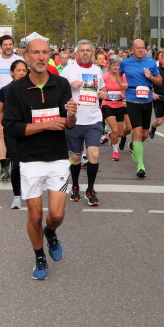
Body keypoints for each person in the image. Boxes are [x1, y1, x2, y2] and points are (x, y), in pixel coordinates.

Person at [3, 37, 77, 280]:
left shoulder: (61, 83)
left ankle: (51, 232)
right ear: (27, 56)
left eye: (45, 52)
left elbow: (68, 123)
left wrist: (72, 116)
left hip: (57, 158)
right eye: (36, 53)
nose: (41, 57)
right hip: (29, 159)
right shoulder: (16, 89)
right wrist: (46, 124)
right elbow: (11, 127)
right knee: (34, 215)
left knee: (56, 215)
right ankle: (39, 257)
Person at [61, 40, 106, 206]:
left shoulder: (97, 70)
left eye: (88, 50)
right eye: (82, 50)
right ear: (77, 53)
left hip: (94, 120)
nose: (85, 53)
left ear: (92, 53)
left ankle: (90, 189)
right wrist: (69, 84)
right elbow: (58, 90)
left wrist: (103, 93)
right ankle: (75, 186)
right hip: (75, 120)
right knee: (76, 157)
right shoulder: (69, 69)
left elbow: (103, 88)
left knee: (94, 155)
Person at [120, 39, 162, 178]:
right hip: (132, 99)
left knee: (144, 135)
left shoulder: (151, 62)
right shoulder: (126, 62)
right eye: (137, 47)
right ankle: (140, 166)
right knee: (137, 132)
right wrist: (121, 84)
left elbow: (159, 81)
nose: (140, 50)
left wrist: (151, 77)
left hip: (147, 100)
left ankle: (133, 145)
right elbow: (118, 75)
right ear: (132, 49)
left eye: (142, 48)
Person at [0, 35, 24, 180]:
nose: (8, 47)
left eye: (10, 44)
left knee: (14, 135)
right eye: (5, 44)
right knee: (1, 133)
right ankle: (4, 167)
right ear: (0, 46)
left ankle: (13, 162)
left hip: (18, 102)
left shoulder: (19, 61)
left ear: (13, 45)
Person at [0, 60, 29, 209]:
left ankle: (30, 192)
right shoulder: (5, 90)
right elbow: (0, 110)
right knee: (16, 165)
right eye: (18, 70)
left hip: (29, 129)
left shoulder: (32, 89)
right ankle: (17, 196)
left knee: (28, 164)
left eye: (24, 70)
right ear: (12, 72)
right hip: (11, 130)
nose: (21, 73)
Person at [102, 55, 131, 161]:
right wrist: (104, 93)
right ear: (109, 66)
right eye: (113, 65)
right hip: (107, 105)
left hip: (120, 105)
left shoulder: (123, 76)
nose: (115, 67)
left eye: (117, 65)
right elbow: (101, 89)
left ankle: (112, 135)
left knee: (119, 133)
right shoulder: (104, 76)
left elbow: (126, 88)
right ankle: (115, 152)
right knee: (114, 129)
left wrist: (124, 92)